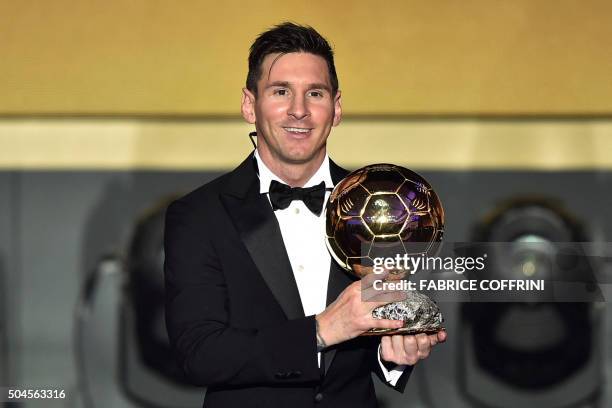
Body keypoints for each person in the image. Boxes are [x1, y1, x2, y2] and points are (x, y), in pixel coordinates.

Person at [164, 22, 446, 408]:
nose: (299, 110)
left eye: (315, 93)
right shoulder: (199, 215)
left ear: (337, 107)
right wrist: (322, 330)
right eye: (281, 92)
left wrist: (393, 353)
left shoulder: (381, 203)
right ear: (250, 104)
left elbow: (373, 335)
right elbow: (200, 354)